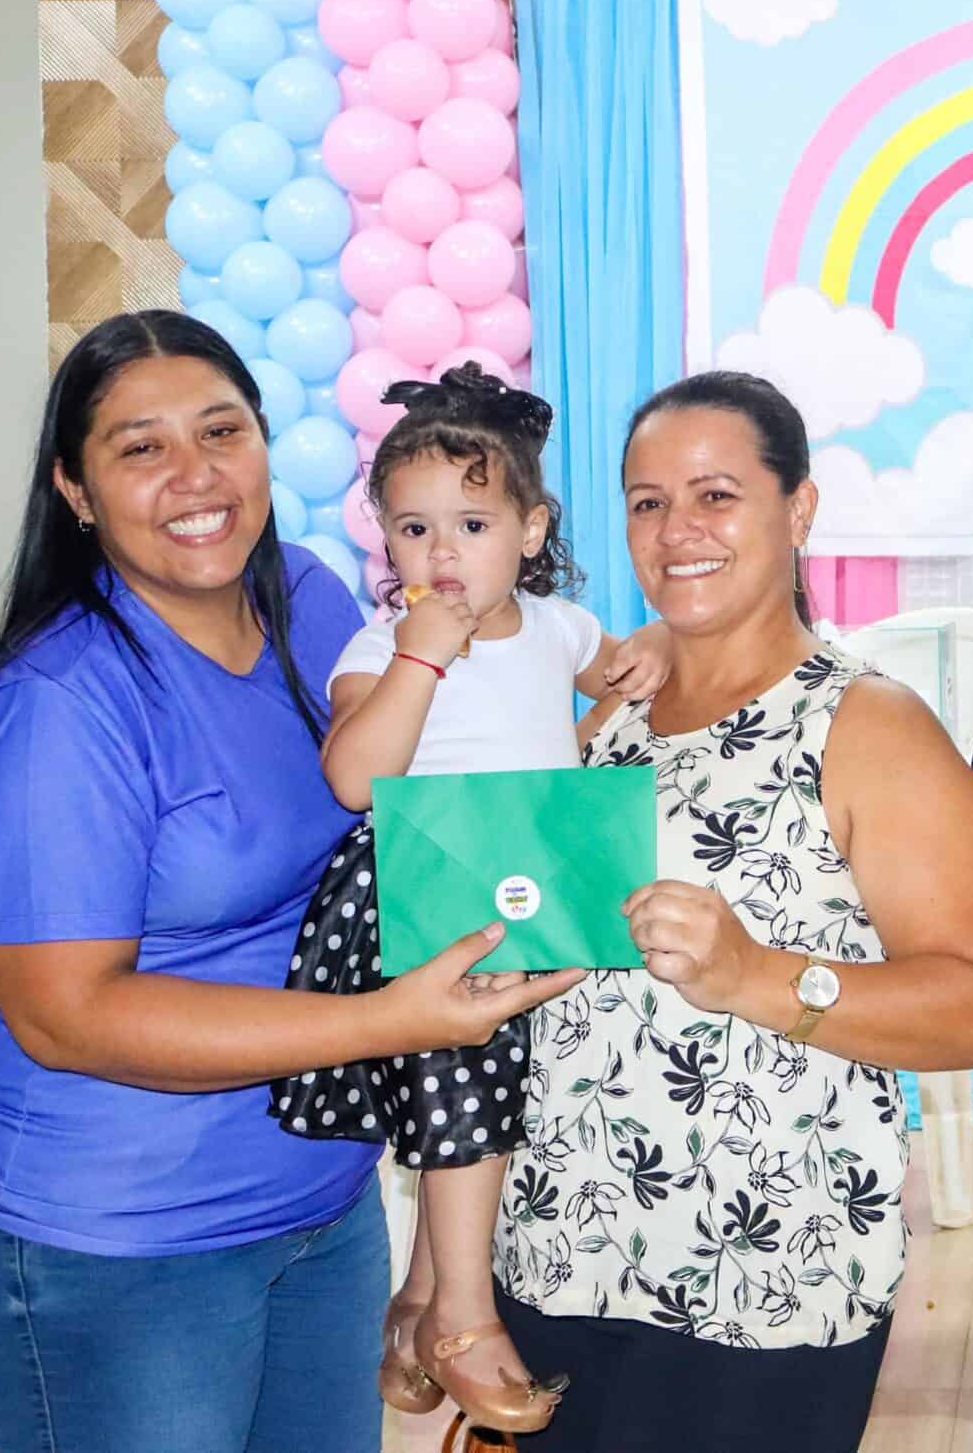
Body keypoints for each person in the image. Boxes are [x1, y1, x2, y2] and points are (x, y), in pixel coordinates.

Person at [0, 312, 579, 1453]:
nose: (196, 475)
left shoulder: (309, 599)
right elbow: (69, 1017)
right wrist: (389, 1021)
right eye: (141, 447)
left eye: (222, 431)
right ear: (76, 490)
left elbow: (458, 763)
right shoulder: (54, 707)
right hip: (114, 1239)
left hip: (321, 1199)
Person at [489, 370, 973, 1453]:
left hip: (770, 1277)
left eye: (716, 495)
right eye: (648, 502)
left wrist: (758, 977)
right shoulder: (605, 722)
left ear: (799, 509)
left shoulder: (868, 727)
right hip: (561, 1251)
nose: (676, 530)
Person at [268, 364, 672, 1435]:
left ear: (530, 532)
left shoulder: (560, 629)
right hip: (422, 903)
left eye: (473, 523)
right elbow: (355, 779)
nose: (441, 553)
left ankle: (415, 1300)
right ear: (385, 542)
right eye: (414, 529)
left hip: (528, 892)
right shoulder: (379, 647)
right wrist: (421, 660)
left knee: (500, 1107)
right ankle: (462, 1316)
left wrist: (649, 655)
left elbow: (627, 678)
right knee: (467, 1090)